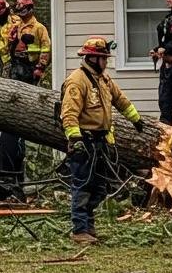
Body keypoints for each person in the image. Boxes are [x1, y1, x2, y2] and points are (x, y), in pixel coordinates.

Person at [60, 37, 144, 244]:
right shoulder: (77, 81)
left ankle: (89, 226)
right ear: (92, 58)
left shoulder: (104, 80)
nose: (106, 62)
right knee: (82, 185)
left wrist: (136, 119)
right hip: (85, 142)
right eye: (103, 58)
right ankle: (80, 229)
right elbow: (69, 113)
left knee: (99, 188)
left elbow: (120, 99)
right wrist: (75, 138)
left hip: (101, 142)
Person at [0, 0, 26, 201]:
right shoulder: (14, 22)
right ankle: (13, 183)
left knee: (11, 129)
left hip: (13, 70)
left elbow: (8, 51)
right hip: (11, 69)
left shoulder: (11, 26)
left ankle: (11, 183)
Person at [7, 0, 51, 84]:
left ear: (29, 9)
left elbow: (46, 49)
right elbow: (11, 46)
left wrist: (40, 67)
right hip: (16, 64)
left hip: (32, 65)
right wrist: (11, 40)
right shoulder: (17, 26)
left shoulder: (39, 28)